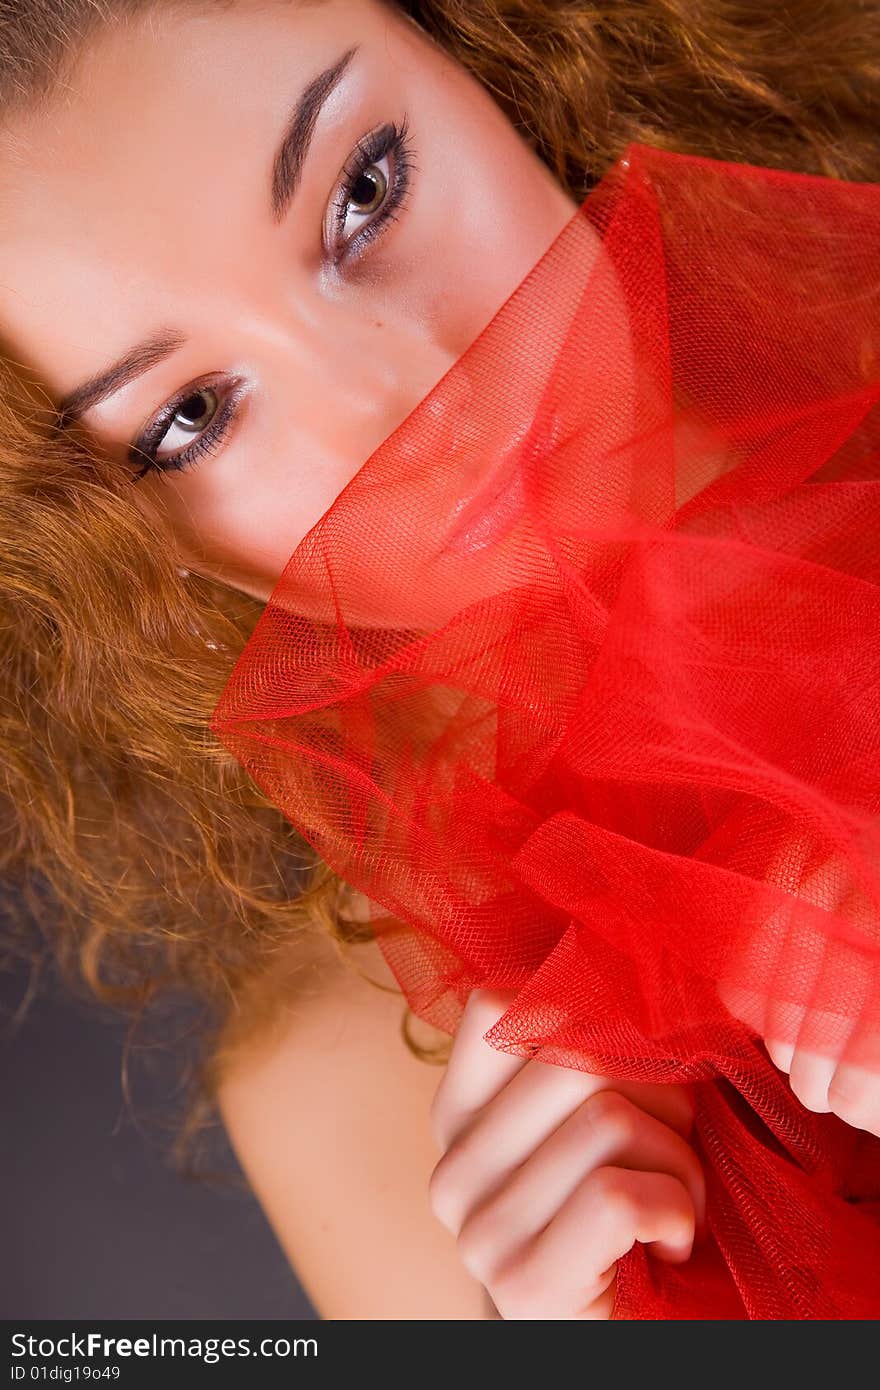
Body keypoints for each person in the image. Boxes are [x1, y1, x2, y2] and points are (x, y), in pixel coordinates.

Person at [0, 0, 876, 1320]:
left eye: (367, 190)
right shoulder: (343, 1086)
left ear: (503, 59)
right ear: (107, 539)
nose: (406, 401)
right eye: (190, 417)